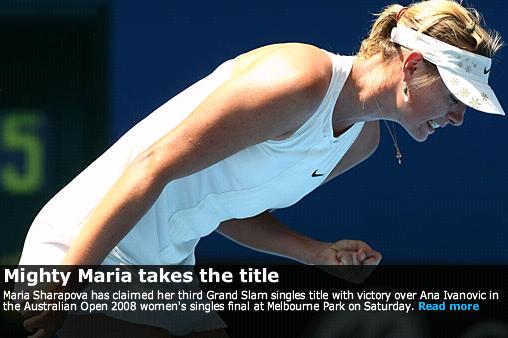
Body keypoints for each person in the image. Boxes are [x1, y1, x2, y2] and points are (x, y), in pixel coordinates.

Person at [18, 0, 504, 337]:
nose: (458, 117)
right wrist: (65, 282)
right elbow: (154, 166)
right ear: (413, 65)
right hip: (86, 245)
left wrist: (316, 254)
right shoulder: (298, 78)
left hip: (164, 267)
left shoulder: (362, 142)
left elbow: (225, 208)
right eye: (456, 97)